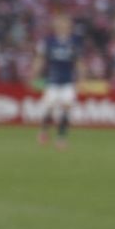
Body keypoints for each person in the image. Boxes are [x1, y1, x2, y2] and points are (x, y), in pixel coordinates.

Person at [34, 12, 82, 148]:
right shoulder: (48, 41)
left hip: (68, 81)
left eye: (66, 23)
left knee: (67, 107)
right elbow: (40, 58)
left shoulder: (74, 42)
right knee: (49, 107)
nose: (63, 26)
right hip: (52, 80)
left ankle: (61, 137)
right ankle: (44, 130)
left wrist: (81, 78)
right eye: (60, 23)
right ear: (55, 26)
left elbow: (78, 61)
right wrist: (34, 73)